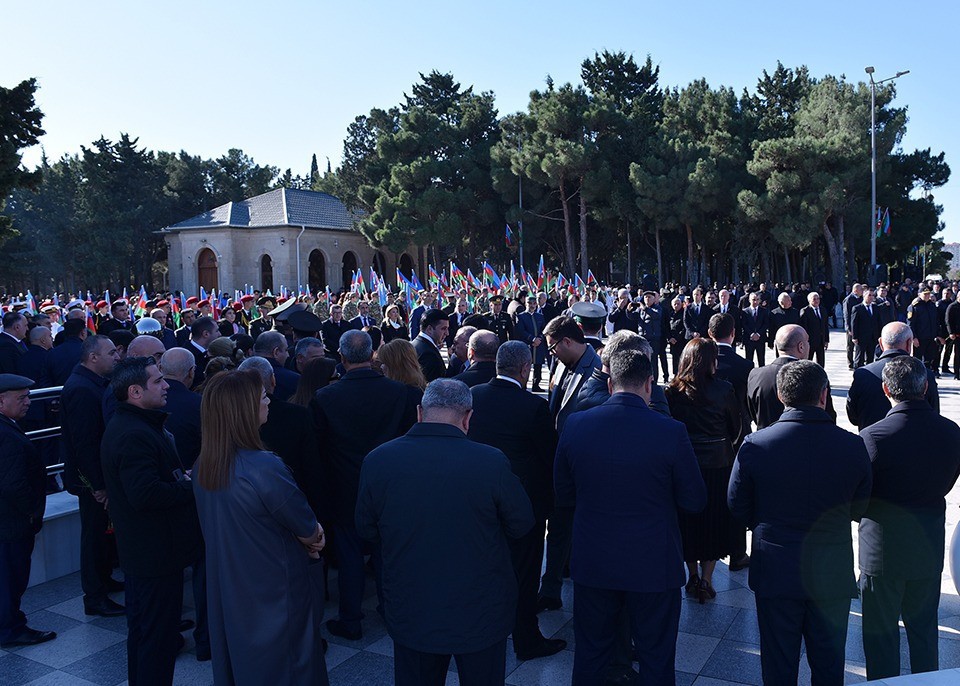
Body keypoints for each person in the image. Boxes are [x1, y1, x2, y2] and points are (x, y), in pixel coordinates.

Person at [356, 379, 534, 686]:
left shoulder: (379, 459)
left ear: (419, 413)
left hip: (412, 605)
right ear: (468, 417)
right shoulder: (490, 461)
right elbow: (522, 524)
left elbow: (365, 528)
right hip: (480, 609)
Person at [556, 348, 706, 685]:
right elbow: (695, 499)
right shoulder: (670, 431)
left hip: (593, 560)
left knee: (591, 654)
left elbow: (563, 494)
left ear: (609, 384)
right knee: (656, 657)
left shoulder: (577, 424)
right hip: (653, 562)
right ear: (650, 384)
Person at [728, 361, 872, 686]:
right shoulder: (852, 446)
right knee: (829, 665)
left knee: (778, 664)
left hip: (776, 568)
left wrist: (765, 525)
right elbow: (860, 507)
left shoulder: (756, 445)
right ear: (824, 396)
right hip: (831, 569)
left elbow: (737, 505)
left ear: (781, 395)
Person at [194, 370, 328, 685]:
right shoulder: (264, 466)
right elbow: (308, 528)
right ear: (244, 410)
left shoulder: (205, 464)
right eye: (262, 398)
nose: (268, 402)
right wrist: (313, 537)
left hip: (230, 585)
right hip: (274, 588)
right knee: (289, 666)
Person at [857, 356, 960, 680]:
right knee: (923, 633)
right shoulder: (951, 432)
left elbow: (856, 499)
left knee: (881, 636)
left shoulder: (872, 437)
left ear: (886, 389)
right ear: (926, 387)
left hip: (881, 550)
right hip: (927, 543)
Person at [100, 357, 201, 686]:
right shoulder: (132, 433)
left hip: (153, 551)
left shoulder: (138, 424)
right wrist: (188, 486)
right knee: (154, 639)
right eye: (157, 381)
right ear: (135, 391)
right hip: (153, 554)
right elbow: (144, 494)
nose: (166, 384)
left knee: (148, 635)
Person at [312, 329, 418, 640]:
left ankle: (350, 620)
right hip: (389, 488)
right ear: (372, 355)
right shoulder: (400, 393)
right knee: (386, 556)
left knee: (349, 559)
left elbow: (318, 450)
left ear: (341, 359)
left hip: (345, 489)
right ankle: (391, 612)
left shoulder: (325, 397)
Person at [467, 342, 565, 661]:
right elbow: (549, 455)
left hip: (479, 502)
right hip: (525, 506)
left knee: (483, 569)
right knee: (524, 574)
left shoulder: (473, 396)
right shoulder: (533, 406)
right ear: (525, 369)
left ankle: (482, 630)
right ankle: (526, 638)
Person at [665, 338, 740, 603]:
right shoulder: (723, 389)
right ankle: (707, 578)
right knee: (713, 522)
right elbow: (735, 427)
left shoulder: (672, 391)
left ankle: (692, 574)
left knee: (688, 520)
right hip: (718, 464)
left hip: (685, 464)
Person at [60, 334, 125, 617]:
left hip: (97, 476)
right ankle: (94, 596)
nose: (117, 357)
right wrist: (98, 486)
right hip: (91, 480)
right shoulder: (82, 389)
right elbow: (85, 442)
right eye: (111, 353)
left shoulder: (92, 383)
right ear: (93, 357)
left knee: (102, 535)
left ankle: (104, 580)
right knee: (94, 536)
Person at [0, 374, 57, 649]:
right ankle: (10, 629)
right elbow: (13, 485)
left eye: (28, 396)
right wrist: (32, 513)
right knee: (11, 577)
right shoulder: (6, 435)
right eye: (21, 398)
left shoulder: (7, 427)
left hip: (9, 521)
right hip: (11, 523)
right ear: (1, 402)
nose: (28, 403)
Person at [239, 357, 324, 517]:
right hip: (294, 504)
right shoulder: (298, 415)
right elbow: (312, 467)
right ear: (273, 380)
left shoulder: (227, 419)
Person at [708, 313, 753, 572]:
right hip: (737, 437)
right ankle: (738, 552)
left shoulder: (696, 362)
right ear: (733, 333)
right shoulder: (744, 365)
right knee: (736, 493)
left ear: (709, 333)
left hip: (705, 438)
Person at [847, 322, 939, 431]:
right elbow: (934, 413)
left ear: (880, 343)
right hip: (916, 443)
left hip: (872, 443)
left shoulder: (863, 374)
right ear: (909, 343)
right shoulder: (925, 374)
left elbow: (853, 416)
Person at [747, 324, 836, 430]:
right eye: (808, 341)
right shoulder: (815, 375)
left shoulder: (756, 375)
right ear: (801, 346)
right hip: (807, 440)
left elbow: (752, 412)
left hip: (765, 442)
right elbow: (828, 415)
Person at [252, 331, 299, 402]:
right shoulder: (293, 379)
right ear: (276, 352)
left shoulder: (238, 373)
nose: (288, 355)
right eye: (286, 350)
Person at [516, 295, 547, 391]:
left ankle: (536, 384)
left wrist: (539, 339)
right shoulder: (521, 316)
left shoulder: (540, 316)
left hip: (538, 345)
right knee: (525, 366)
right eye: (529, 303)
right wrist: (532, 339)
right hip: (527, 344)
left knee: (538, 365)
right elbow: (521, 331)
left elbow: (544, 329)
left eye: (534, 303)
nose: (532, 305)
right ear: (526, 303)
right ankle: (523, 385)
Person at [412, 308, 449, 383]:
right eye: (443, 329)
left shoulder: (416, 344)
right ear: (429, 329)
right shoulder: (429, 354)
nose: (447, 333)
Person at [851, 287, 882, 368]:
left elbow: (879, 322)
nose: (871, 297)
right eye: (869, 295)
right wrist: (854, 337)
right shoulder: (857, 308)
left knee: (870, 357)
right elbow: (854, 323)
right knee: (859, 358)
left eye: (873, 295)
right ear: (864, 296)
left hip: (872, 337)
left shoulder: (875, 308)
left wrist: (879, 335)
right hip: (861, 337)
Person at [799, 292, 829, 366]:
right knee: (808, 362)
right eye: (814, 299)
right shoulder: (805, 311)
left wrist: (826, 340)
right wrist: (805, 341)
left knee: (821, 363)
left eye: (818, 298)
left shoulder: (823, 310)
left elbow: (825, 326)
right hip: (810, 341)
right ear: (809, 300)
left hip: (820, 341)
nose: (816, 301)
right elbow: (804, 327)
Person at [741, 292, 768, 367]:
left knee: (761, 360)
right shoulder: (745, 311)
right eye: (753, 300)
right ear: (749, 300)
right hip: (749, 339)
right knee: (748, 360)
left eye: (757, 299)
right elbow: (744, 324)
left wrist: (758, 334)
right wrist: (752, 334)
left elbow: (766, 324)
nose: (755, 302)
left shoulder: (764, 311)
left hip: (761, 339)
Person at [843, 283, 864, 370]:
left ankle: (858, 361)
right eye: (861, 290)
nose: (862, 291)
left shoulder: (861, 299)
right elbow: (846, 314)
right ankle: (850, 362)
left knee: (859, 345)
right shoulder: (848, 300)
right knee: (850, 345)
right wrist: (848, 328)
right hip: (851, 326)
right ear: (855, 290)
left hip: (859, 325)